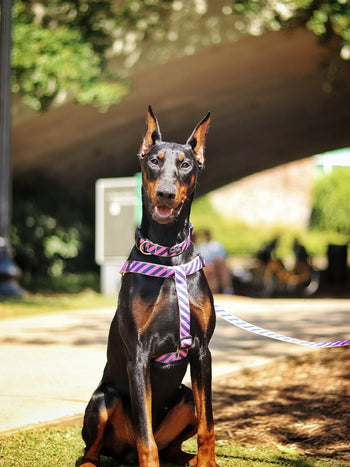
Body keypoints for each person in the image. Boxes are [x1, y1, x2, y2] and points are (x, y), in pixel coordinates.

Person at [197, 230, 233, 294]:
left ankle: (227, 289)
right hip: (206, 265)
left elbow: (222, 257)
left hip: (217, 264)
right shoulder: (201, 246)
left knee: (222, 266)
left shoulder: (217, 244)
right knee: (207, 270)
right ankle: (212, 291)